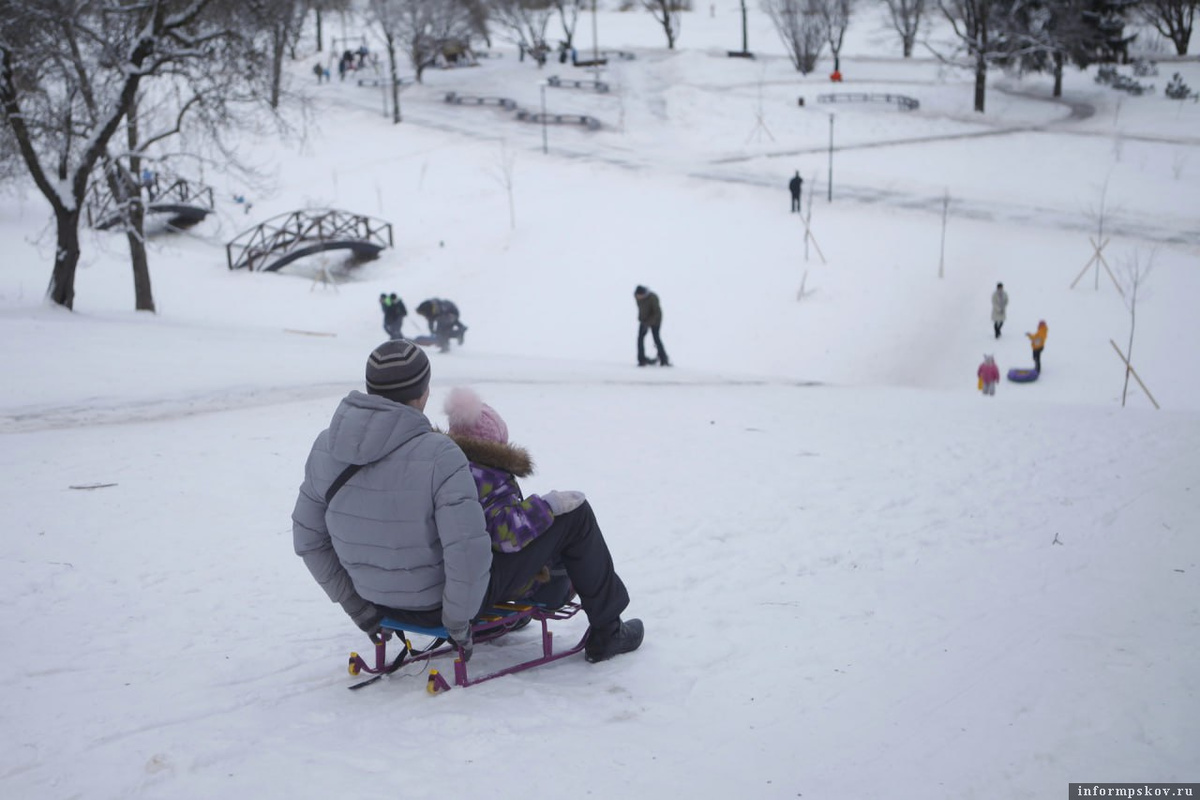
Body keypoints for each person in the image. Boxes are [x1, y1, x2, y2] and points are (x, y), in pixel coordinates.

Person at [292, 340, 644, 664]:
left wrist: (360, 609)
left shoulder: (326, 447)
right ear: (423, 392)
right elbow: (467, 551)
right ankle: (608, 632)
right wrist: (459, 623)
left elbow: (308, 540)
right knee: (574, 515)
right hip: (440, 608)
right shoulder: (440, 454)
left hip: (377, 603)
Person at [444, 386, 572, 607]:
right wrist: (545, 507)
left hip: (457, 577)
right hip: (492, 582)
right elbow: (506, 535)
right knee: (568, 526)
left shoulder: (445, 469)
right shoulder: (486, 476)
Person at [634, 285, 670, 367]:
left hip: (656, 320)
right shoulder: (636, 297)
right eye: (637, 295)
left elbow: (656, 313)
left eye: (640, 296)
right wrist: (642, 320)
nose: (638, 297)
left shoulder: (653, 298)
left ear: (644, 294)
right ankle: (641, 359)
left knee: (656, 338)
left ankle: (663, 359)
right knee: (640, 338)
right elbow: (642, 309)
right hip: (644, 320)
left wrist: (648, 323)